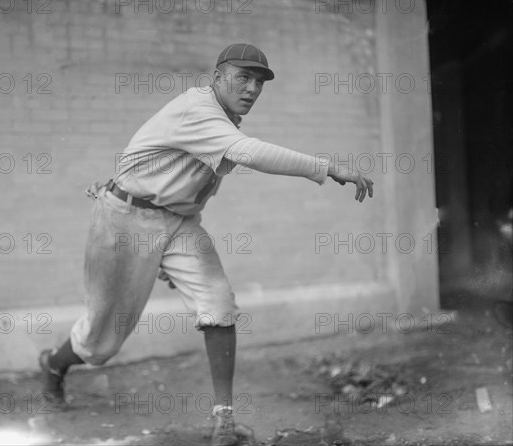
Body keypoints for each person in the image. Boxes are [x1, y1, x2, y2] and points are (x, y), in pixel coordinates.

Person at [39, 43, 374, 446]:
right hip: (124, 220)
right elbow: (248, 153)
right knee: (100, 341)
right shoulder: (197, 110)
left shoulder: (225, 122)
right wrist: (328, 168)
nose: (251, 88)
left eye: (258, 81)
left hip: (177, 222)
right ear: (216, 78)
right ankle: (54, 365)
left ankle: (224, 419)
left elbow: (188, 187)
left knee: (219, 302)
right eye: (242, 77)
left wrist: (169, 255)